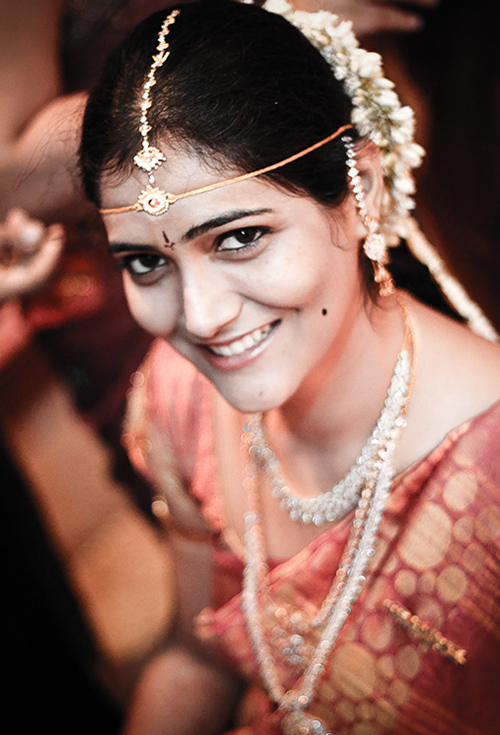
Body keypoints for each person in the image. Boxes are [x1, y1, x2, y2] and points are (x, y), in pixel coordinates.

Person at [79, 0, 500, 733]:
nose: (201, 315)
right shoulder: (180, 394)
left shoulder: (488, 469)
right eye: (147, 261)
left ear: (361, 190)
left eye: (240, 237)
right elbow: (195, 656)